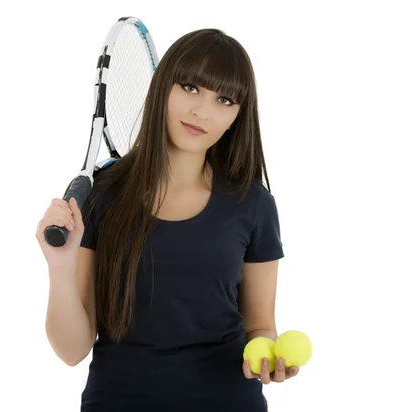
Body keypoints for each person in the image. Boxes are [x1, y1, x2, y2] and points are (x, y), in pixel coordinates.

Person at [36, 28, 300, 411]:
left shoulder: (253, 204)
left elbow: (259, 326)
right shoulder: (105, 196)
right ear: (162, 87)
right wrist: (59, 269)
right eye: (190, 88)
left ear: (237, 116)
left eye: (224, 99)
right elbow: (72, 351)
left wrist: (266, 356)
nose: (203, 112)